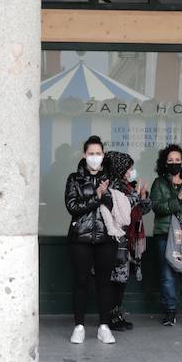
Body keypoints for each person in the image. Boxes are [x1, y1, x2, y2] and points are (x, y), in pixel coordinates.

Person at [65, 136, 118, 345]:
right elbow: (72, 206)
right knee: (81, 282)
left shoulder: (112, 179)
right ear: (84, 155)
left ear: (103, 155)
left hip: (107, 237)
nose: (95, 157)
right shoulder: (74, 179)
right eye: (91, 153)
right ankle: (79, 326)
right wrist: (96, 196)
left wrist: (104, 195)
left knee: (105, 283)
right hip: (81, 237)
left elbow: (120, 206)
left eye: (98, 153)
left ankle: (104, 326)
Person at [151, 143, 182, 327]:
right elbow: (158, 207)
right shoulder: (159, 183)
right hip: (164, 234)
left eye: (177, 160)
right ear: (164, 163)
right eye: (170, 160)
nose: (174, 163)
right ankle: (170, 312)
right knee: (167, 276)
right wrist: (178, 198)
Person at [105, 151, 149, 332]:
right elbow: (121, 209)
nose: (132, 171)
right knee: (115, 280)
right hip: (117, 239)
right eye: (129, 168)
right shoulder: (114, 186)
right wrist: (137, 196)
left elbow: (143, 209)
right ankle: (111, 316)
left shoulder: (129, 185)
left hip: (131, 238)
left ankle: (117, 314)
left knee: (122, 280)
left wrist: (144, 197)